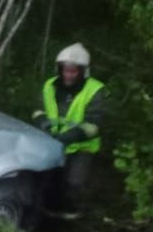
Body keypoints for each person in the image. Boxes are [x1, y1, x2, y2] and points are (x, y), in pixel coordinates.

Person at [33, 42, 106, 219]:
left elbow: (95, 123)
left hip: (82, 146)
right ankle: (46, 214)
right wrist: (45, 125)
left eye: (73, 71)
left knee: (74, 183)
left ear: (82, 71)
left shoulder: (95, 90)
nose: (69, 74)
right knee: (48, 180)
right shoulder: (50, 85)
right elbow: (38, 110)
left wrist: (70, 136)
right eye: (65, 70)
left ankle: (74, 216)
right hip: (52, 141)